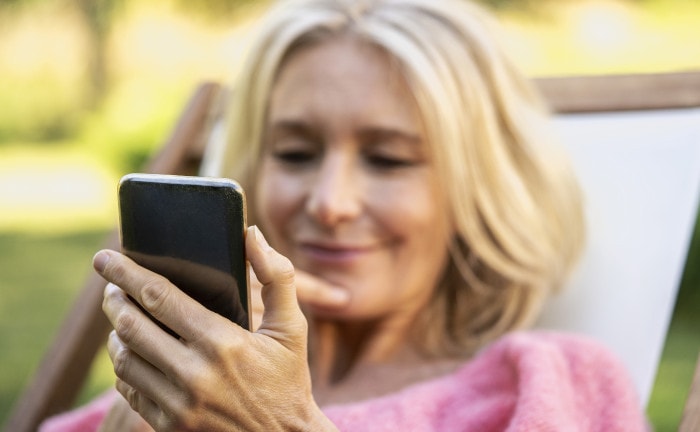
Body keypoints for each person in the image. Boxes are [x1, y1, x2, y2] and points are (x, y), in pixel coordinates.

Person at [40, 0, 648, 430]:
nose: (330, 203)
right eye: (295, 153)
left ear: (480, 192)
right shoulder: (175, 392)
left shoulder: (544, 384)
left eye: (388, 160)